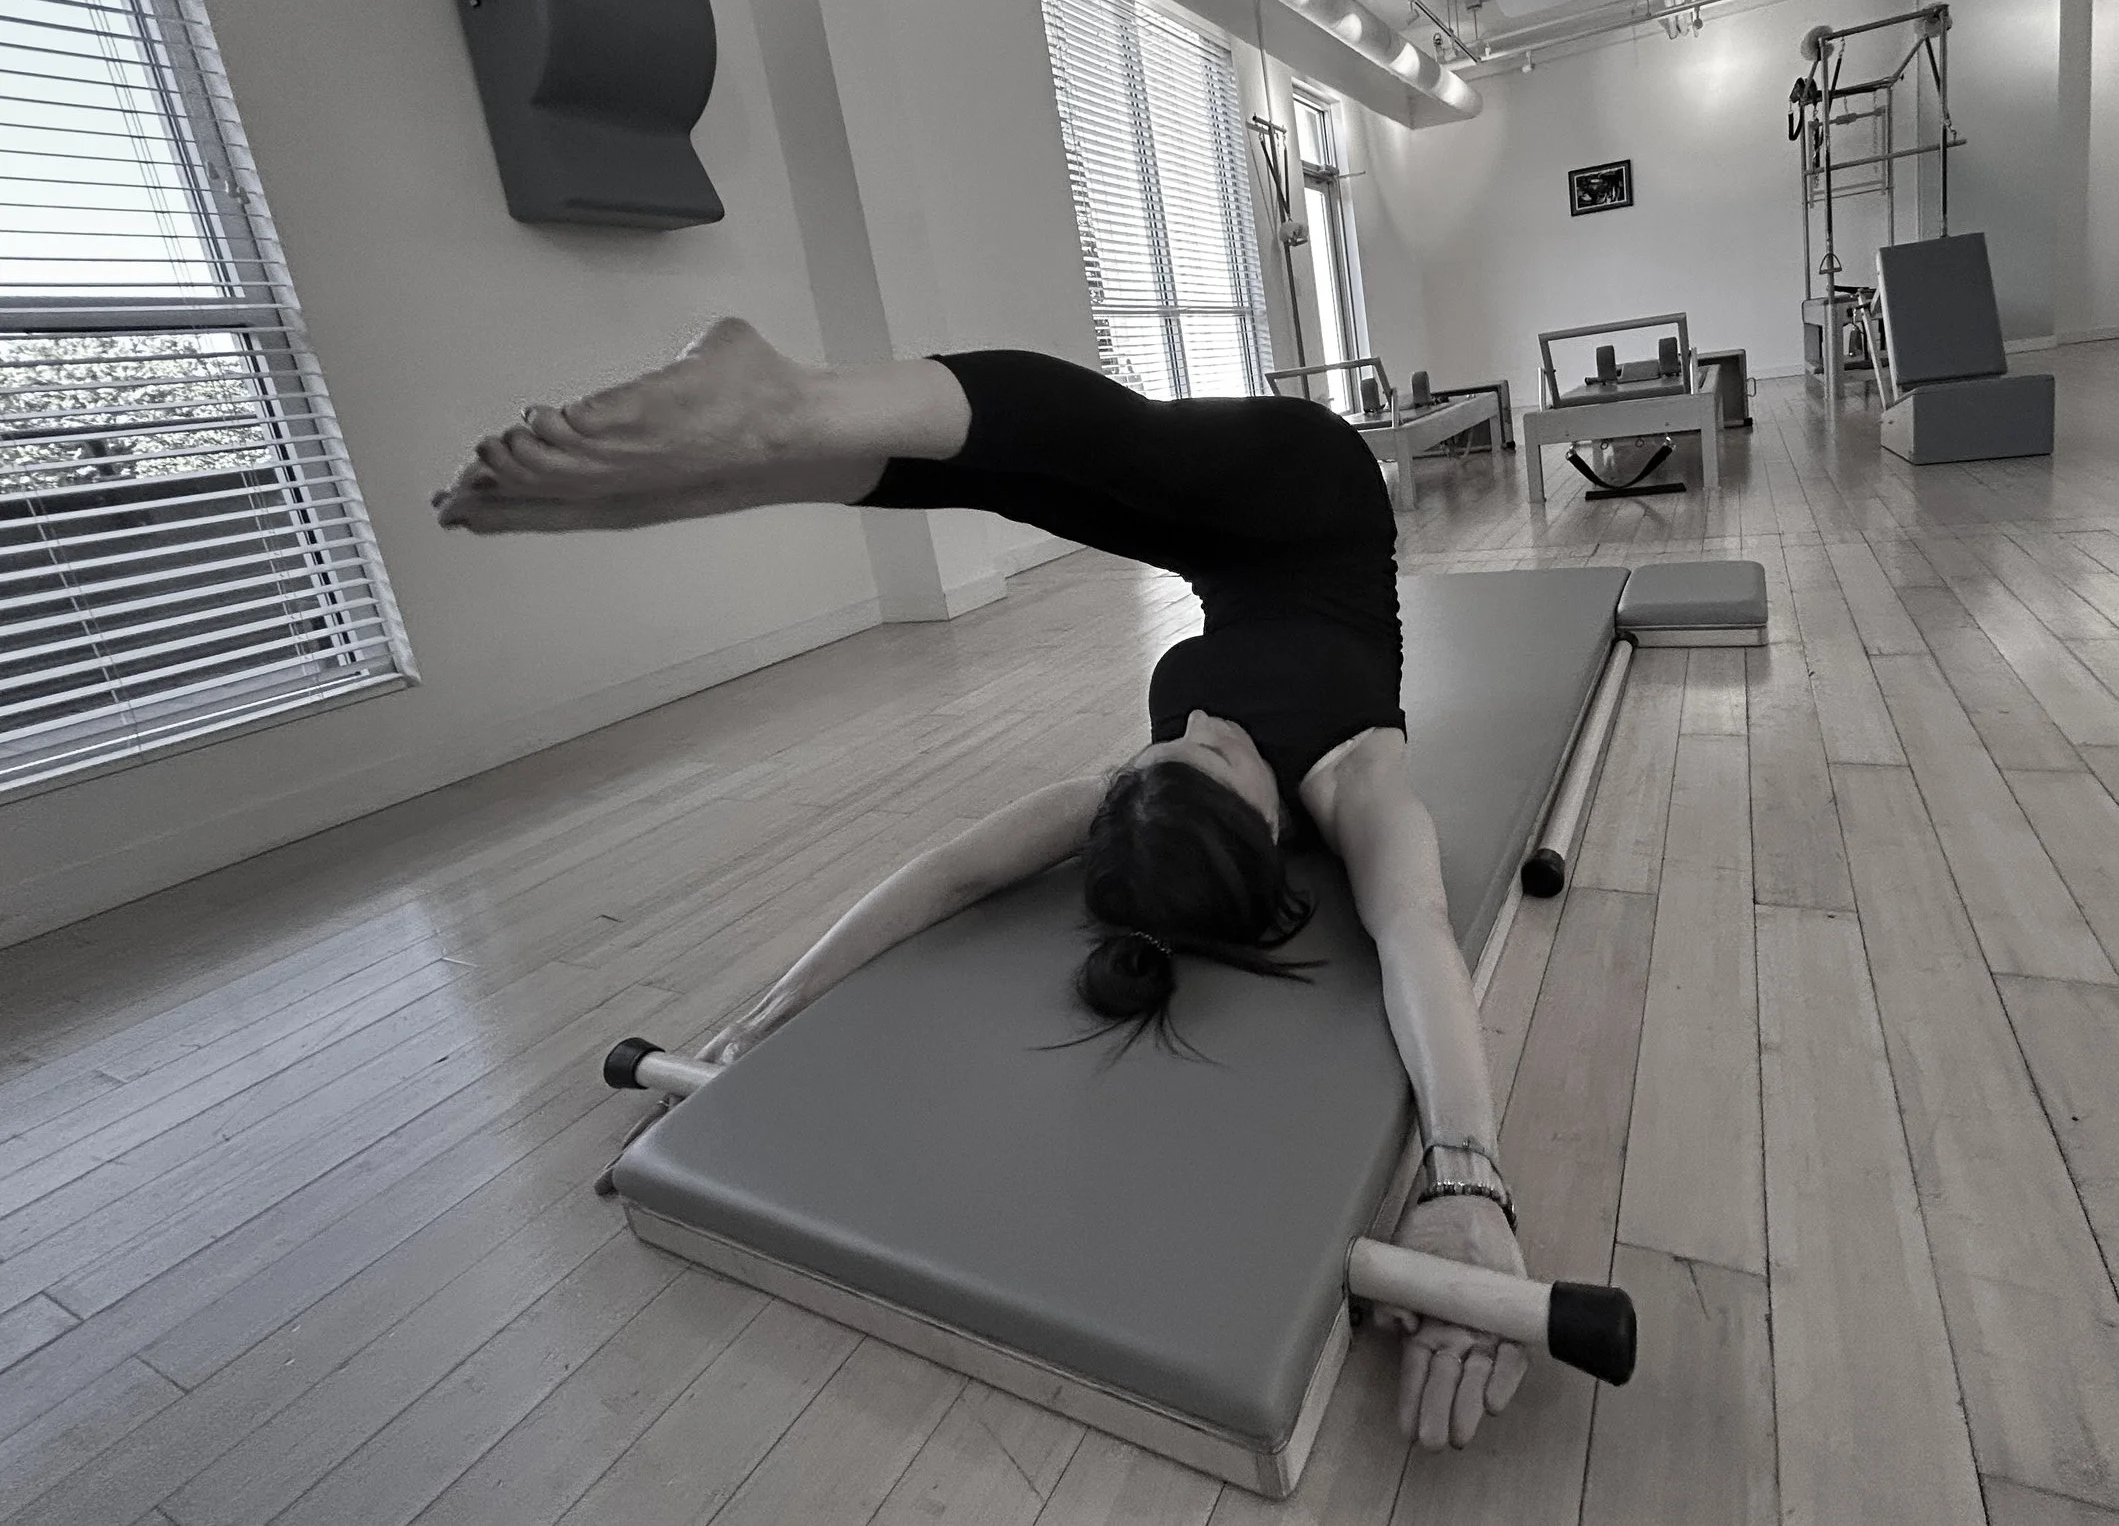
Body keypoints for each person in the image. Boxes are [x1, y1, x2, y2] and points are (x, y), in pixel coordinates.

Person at [434, 319, 1529, 1451]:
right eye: (1207, 743)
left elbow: (952, 871)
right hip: (1316, 499)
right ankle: (779, 417)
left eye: (1179, 744)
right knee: (1122, 451)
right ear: (1264, 818)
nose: (1196, 720)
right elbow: (1414, 933)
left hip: (1218, 554)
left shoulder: (1144, 799)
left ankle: (746, 463)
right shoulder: (1357, 777)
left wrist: (754, 1026)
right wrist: (1466, 1178)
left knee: (1027, 482)